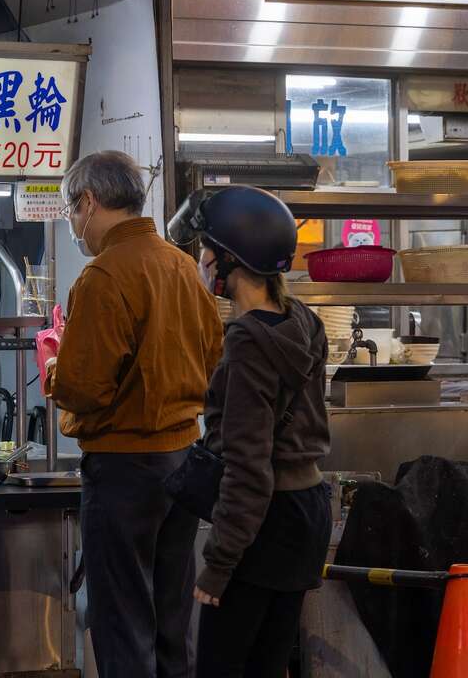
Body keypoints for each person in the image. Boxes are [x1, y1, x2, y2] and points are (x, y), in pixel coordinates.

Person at [45, 150, 224, 678]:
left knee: (123, 623)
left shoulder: (102, 275)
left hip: (124, 470)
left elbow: (82, 388)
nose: (74, 224)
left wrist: (54, 366)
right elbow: (214, 357)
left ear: (89, 202)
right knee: (172, 622)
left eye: (72, 211)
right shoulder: (183, 266)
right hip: (184, 462)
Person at [167, 187, 332, 678]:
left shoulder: (246, 344)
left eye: (205, 249)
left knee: (219, 668)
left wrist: (219, 564)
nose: (200, 259)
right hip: (307, 513)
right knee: (268, 665)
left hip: (263, 525)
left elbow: (248, 467)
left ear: (228, 260)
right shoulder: (304, 322)